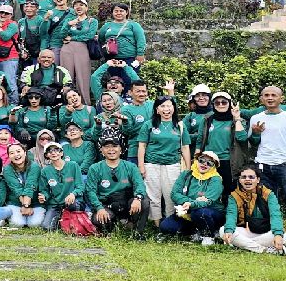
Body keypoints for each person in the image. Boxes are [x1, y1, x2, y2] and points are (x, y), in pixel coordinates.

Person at [242, 85, 286, 247]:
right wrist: (256, 132)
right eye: (266, 95)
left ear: (281, 99)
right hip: (263, 166)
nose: (270, 98)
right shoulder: (256, 118)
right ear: (261, 99)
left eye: (274, 95)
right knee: (266, 202)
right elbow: (253, 143)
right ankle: (270, 234)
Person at [138, 96, 191, 227]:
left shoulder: (180, 126)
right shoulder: (148, 124)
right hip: (151, 164)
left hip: (173, 165)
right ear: (157, 109)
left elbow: (185, 147)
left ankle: (169, 223)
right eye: (162, 106)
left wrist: (188, 168)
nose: (166, 109)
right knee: (153, 195)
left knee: (171, 195)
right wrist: (141, 166)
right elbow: (142, 146)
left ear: (174, 108)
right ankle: (156, 224)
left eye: (169, 106)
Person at [85, 132, 149, 236]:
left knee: (144, 202)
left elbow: (140, 184)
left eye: (115, 146)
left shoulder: (131, 166)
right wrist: (99, 208)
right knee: (99, 220)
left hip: (127, 202)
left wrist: (138, 198)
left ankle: (138, 232)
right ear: (101, 150)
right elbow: (90, 191)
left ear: (121, 149)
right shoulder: (95, 168)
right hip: (107, 203)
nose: (111, 150)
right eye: (107, 147)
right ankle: (116, 224)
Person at [158, 150, 225, 245]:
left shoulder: (216, 179)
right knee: (165, 226)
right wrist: (190, 202)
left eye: (209, 163)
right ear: (196, 160)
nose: (204, 164)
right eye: (201, 160)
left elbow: (208, 201)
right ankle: (194, 232)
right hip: (187, 211)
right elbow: (174, 194)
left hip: (211, 213)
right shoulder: (186, 174)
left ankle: (209, 236)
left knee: (200, 213)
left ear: (214, 166)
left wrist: (191, 204)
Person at [220, 164, 286, 255]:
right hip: (245, 232)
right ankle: (264, 250)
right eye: (244, 177)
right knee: (223, 230)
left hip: (266, 232)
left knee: (284, 237)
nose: (247, 179)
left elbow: (275, 215)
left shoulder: (268, 194)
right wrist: (228, 231)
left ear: (258, 180)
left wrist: (278, 235)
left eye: (251, 177)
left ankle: (242, 245)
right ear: (240, 180)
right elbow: (231, 215)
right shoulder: (234, 196)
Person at [193, 91, 243, 199]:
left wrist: (237, 119)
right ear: (213, 105)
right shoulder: (207, 119)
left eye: (224, 102)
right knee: (208, 191)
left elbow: (242, 138)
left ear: (229, 103)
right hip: (209, 161)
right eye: (217, 103)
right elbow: (200, 140)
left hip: (228, 161)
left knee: (229, 191)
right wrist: (196, 159)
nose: (220, 105)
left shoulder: (236, 120)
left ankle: (229, 214)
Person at [37, 141, 84, 231]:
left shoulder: (73, 165)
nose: (53, 153)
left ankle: (66, 219)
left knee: (73, 206)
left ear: (61, 153)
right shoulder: (45, 171)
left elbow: (81, 186)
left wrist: (73, 194)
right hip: (56, 204)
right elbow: (44, 190)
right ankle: (61, 219)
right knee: (46, 227)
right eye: (50, 151)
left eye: (56, 150)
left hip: (73, 202)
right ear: (47, 155)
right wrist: (44, 196)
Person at [59, 0, 98, 105]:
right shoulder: (69, 20)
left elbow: (89, 36)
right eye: (76, 5)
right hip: (67, 48)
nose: (78, 7)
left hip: (82, 48)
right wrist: (68, 25)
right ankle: (66, 103)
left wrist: (72, 38)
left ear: (86, 7)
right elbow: (61, 35)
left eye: (81, 5)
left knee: (83, 76)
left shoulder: (92, 21)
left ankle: (85, 104)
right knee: (66, 76)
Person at [3, 142, 45, 228]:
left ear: (25, 153)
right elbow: (16, 188)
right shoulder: (7, 169)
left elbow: (30, 186)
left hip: (35, 203)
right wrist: (25, 205)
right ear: (9, 156)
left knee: (34, 224)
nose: (16, 155)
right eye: (12, 153)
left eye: (18, 151)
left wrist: (27, 205)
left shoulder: (34, 166)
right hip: (15, 202)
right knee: (17, 224)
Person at [97, 3, 146, 72]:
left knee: (129, 80)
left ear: (126, 12)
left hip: (130, 58)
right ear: (112, 13)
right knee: (115, 80)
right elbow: (100, 39)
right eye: (116, 11)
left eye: (121, 11)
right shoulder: (107, 25)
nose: (118, 13)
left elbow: (141, 40)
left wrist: (140, 54)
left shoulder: (133, 25)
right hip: (112, 59)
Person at [0, 4, 21, 99]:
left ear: (11, 15)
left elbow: (5, 36)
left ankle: (14, 104)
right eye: (1, 13)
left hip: (10, 57)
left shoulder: (12, 24)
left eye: (6, 13)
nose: (3, 15)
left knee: (10, 82)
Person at [39, 0, 74, 64]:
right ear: (54, 0)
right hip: (55, 45)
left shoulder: (73, 12)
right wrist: (45, 19)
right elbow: (43, 32)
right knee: (55, 69)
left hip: (70, 45)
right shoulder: (51, 13)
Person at [17, 0, 42, 73]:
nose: (28, 9)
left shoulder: (40, 20)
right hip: (25, 52)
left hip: (36, 51)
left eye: (32, 6)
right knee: (26, 72)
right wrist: (21, 51)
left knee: (36, 72)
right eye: (26, 6)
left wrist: (41, 52)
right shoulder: (21, 21)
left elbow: (43, 36)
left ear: (37, 8)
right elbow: (19, 37)